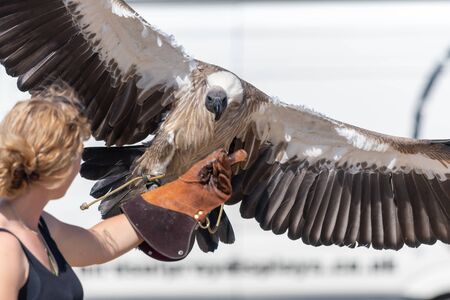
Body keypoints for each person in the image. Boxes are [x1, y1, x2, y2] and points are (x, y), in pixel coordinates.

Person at [0, 84, 240, 299]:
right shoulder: (6, 249)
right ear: (58, 163)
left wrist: (181, 196)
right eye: (77, 152)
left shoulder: (38, 226)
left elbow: (100, 244)